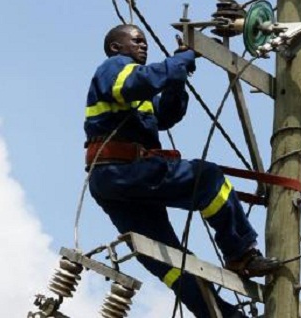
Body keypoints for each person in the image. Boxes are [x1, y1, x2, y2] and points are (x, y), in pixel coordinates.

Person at [84, 24, 279, 318]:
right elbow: (143, 80)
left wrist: (178, 75)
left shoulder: (139, 92)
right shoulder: (114, 67)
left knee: (170, 262)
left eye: (145, 42)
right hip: (122, 171)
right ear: (116, 47)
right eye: (137, 41)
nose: (143, 46)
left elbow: (168, 114)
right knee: (207, 179)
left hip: (119, 181)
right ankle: (240, 253)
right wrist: (184, 58)